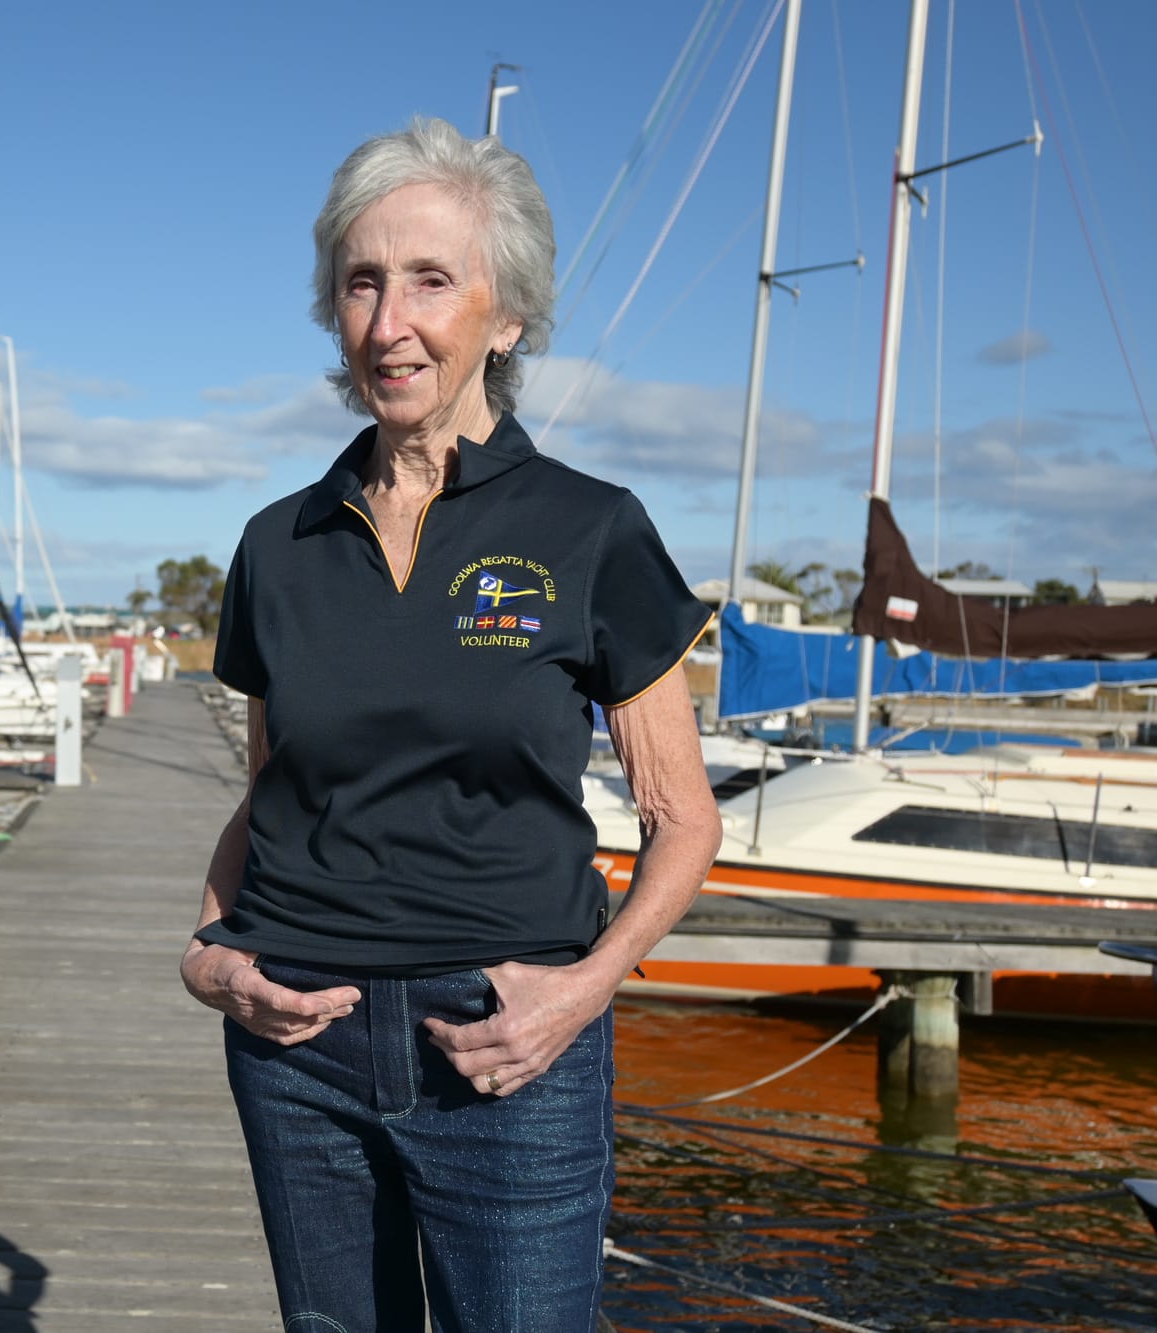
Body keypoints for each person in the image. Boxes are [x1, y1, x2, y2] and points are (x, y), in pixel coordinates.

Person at [180, 117, 723, 1332]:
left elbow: (681, 820)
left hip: (503, 1047)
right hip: (294, 1050)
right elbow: (268, 793)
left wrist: (579, 993)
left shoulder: (590, 529)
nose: (390, 322)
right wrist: (208, 953)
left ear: (505, 314)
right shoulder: (278, 543)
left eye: (431, 280)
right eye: (362, 281)